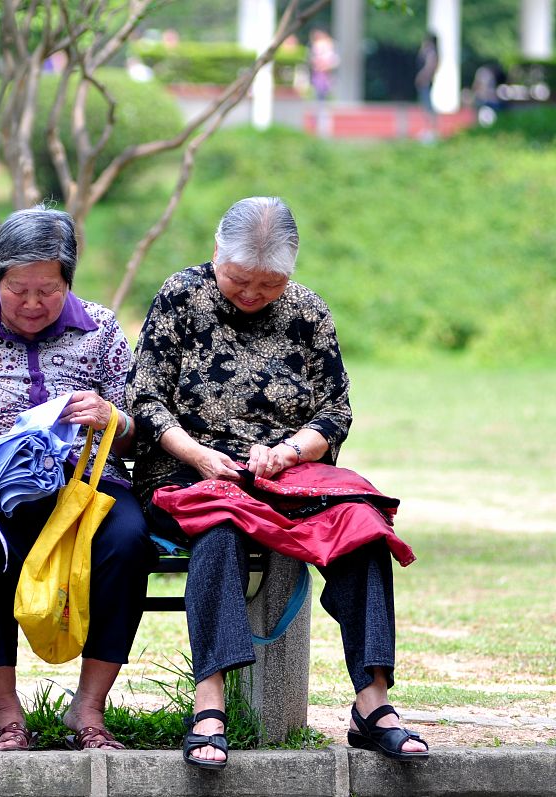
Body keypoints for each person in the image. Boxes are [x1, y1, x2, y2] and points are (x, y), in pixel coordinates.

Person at [125, 197, 429, 769]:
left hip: (285, 476)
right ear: (216, 253)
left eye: (268, 285)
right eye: (239, 280)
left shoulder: (308, 311)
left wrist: (288, 452)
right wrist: (200, 455)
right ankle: (209, 703)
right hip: (190, 471)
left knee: (362, 526)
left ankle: (373, 704)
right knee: (218, 527)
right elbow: (145, 400)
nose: (252, 294)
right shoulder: (180, 297)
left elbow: (335, 412)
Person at [0, 206, 151, 752]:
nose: (31, 303)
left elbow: (136, 430)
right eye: (17, 289)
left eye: (48, 290)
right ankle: (6, 713)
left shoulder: (102, 328)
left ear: (69, 282)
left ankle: (88, 709)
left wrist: (109, 417)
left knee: (127, 539)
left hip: (83, 484)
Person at [416, 32, 440, 141]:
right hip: (428, 81)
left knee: (427, 107)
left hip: (426, 81)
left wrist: (422, 77)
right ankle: (430, 130)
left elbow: (429, 67)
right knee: (427, 106)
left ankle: (430, 130)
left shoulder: (430, 52)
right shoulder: (434, 52)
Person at [308, 29, 339, 102]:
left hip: (328, 74)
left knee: (328, 92)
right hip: (319, 73)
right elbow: (313, 58)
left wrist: (327, 65)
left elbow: (334, 60)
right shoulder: (316, 45)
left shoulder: (329, 44)